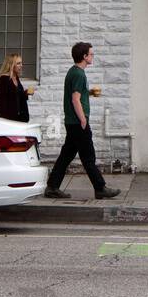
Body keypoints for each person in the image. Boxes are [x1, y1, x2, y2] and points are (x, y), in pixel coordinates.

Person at [45, 42, 119, 200]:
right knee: (88, 156)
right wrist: (83, 119)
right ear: (84, 56)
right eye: (91, 54)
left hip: (72, 122)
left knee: (66, 156)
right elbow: (75, 99)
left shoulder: (73, 72)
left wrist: (89, 92)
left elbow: (77, 94)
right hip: (78, 122)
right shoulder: (79, 74)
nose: (92, 56)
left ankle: (52, 187)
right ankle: (100, 188)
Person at [0, 53, 32, 122]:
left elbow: (16, 96)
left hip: (18, 119)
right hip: (8, 121)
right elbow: (1, 103)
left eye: (21, 63)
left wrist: (26, 93)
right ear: (11, 65)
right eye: (18, 63)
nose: (21, 65)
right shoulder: (4, 79)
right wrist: (7, 123)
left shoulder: (15, 78)